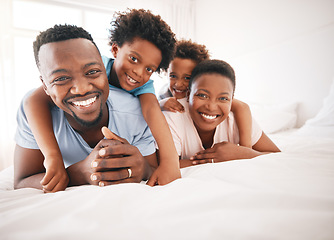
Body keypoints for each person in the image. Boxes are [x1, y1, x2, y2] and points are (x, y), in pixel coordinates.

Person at [23, 9, 180, 192]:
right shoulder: (94, 65)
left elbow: (151, 111)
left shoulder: (143, 89)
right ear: (115, 50)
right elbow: (32, 100)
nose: (139, 72)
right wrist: (52, 157)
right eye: (134, 59)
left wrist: (170, 162)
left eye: (149, 69)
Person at [162, 59, 281, 168]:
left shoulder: (237, 119)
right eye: (203, 95)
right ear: (188, 95)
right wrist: (214, 159)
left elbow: (278, 156)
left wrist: (244, 154)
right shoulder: (173, 115)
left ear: (231, 99)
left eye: (223, 98)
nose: (211, 107)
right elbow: (165, 166)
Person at [158, 39, 253, 148]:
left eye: (187, 78)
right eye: (173, 76)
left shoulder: (215, 99)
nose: (178, 84)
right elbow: (149, 109)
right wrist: (161, 104)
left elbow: (243, 107)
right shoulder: (164, 94)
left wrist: (246, 149)